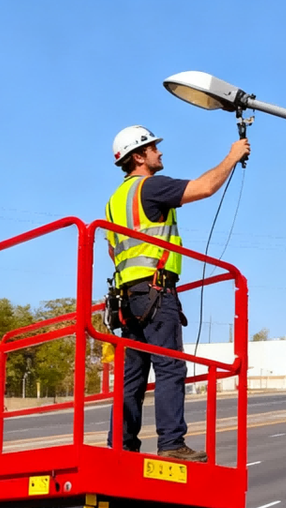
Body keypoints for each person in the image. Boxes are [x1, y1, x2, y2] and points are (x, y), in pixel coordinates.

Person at [105, 125, 250, 462]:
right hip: (156, 291)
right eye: (153, 148)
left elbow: (113, 250)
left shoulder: (115, 201)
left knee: (132, 376)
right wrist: (233, 156)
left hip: (128, 297)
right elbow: (204, 187)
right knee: (170, 367)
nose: (159, 152)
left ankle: (121, 447)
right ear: (138, 157)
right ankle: (171, 444)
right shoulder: (151, 186)